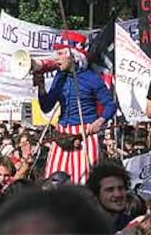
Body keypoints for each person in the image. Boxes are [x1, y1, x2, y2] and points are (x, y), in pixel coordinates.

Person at [33, 30, 117, 184]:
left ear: (72, 55)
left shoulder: (92, 78)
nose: (55, 59)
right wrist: (41, 88)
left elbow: (110, 104)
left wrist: (99, 122)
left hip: (85, 134)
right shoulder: (59, 78)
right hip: (63, 134)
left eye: (59, 54)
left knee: (84, 179)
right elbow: (46, 107)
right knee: (53, 180)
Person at [86, 162, 132, 233]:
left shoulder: (132, 224)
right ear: (96, 195)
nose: (118, 194)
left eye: (121, 188)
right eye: (110, 190)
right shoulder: (83, 227)